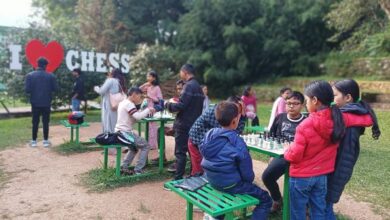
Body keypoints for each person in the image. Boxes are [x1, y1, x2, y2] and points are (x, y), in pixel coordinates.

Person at [284, 80, 373, 220]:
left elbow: (294, 156)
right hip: (322, 177)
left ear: (314, 100)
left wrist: (287, 150)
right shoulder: (338, 120)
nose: (306, 104)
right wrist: (369, 117)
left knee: (297, 212)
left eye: (307, 100)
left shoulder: (305, 125)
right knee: (319, 211)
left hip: (301, 177)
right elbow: (362, 120)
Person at [200, 101, 272, 220]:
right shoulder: (238, 143)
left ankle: (216, 217)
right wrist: (247, 182)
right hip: (231, 185)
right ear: (235, 120)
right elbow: (248, 175)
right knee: (265, 199)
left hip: (212, 180)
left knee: (224, 194)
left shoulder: (210, 134)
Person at [325, 79, 381, 219]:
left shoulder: (349, 123)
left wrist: (334, 183)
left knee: (326, 207)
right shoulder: (348, 115)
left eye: (334, 95)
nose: (331, 99)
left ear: (348, 97)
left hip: (335, 172)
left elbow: (346, 157)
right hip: (332, 168)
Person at [261, 91, 306, 213]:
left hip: (300, 159)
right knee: (266, 177)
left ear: (302, 105)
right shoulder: (280, 117)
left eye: (295, 103)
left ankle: (304, 208)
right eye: (288, 103)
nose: (291, 106)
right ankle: (277, 200)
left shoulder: (306, 121)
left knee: (296, 186)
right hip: (281, 156)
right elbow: (271, 136)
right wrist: (271, 155)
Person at [188, 96, 246, 176]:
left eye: (238, 112)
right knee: (199, 171)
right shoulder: (216, 112)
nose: (235, 114)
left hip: (207, 142)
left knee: (208, 171)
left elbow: (236, 132)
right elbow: (230, 131)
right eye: (235, 110)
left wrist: (242, 116)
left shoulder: (227, 113)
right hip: (196, 140)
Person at [165, 64, 204, 180]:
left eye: (180, 72)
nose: (180, 74)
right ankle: (194, 175)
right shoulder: (198, 87)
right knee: (192, 151)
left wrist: (168, 105)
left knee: (180, 152)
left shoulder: (188, 86)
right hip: (195, 124)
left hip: (183, 125)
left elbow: (181, 105)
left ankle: (178, 178)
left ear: (185, 72)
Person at [116, 87, 156, 175]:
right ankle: (138, 170)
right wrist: (148, 110)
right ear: (134, 95)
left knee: (133, 148)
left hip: (120, 132)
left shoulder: (123, 102)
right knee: (146, 145)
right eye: (139, 96)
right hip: (125, 132)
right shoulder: (129, 104)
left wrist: (141, 112)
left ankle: (123, 167)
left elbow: (133, 118)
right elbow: (137, 117)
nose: (139, 99)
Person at [25, 57, 58, 148]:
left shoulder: (30, 75)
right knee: (46, 122)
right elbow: (55, 89)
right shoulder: (51, 76)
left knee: (35, 122)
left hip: (35, 103)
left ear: (37, 64)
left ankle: (34, 141)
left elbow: (27, 90)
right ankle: (45, 141)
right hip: (46, 102)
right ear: (45, 65)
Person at [94, 68, 127, 133]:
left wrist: (96, 88)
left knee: (108, 122)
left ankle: (109, 137)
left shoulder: (111, 80)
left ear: (113, 73)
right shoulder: (120, 81)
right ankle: (116, 136)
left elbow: (101, 91)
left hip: (109, 104)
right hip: (117, 104)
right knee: (115, 121)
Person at [140, 71, 163, 150]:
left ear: (154, 78)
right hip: (147, 108)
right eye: (147, 76)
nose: (148, 78)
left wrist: (149, 97)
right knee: (149, 127)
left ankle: (152, 145)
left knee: (153, 127)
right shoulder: (148, 87)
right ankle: (149, 144)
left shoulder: (157, 88)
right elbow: (138, 90)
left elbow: (159, 99)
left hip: (154, 109)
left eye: (149, 76)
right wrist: (145, 84)